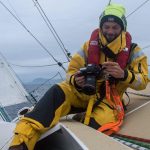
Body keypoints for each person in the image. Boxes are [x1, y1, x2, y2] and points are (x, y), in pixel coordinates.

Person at [9, 3, 148, 150]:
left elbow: (143, 82)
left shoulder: (134, 51)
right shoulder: (88, 47)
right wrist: (75, 80)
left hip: (109, 100)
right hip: (81, 93)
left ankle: (81, 119)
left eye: (115, 27)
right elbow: (71, 71)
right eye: (106, 26)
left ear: (122, 28)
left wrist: (124, 74)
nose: (110, 31)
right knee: (56, 93)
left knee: (99, 125)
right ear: (101, 27)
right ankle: (20, 144)